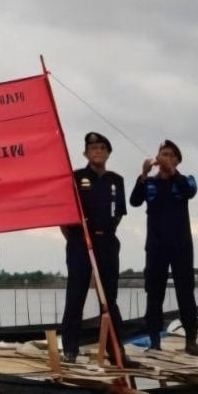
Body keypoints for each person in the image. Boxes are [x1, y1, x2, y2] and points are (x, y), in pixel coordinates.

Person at [59, 131, 131, 365]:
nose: (98, 151)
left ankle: (116, 351)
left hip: (107, 242)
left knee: (109, 299)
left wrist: (104, 233)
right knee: (76, 295)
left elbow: (118, 213)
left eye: (102, 148)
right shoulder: (75, 177)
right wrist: (77, 238)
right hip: (81, 242)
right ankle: (70, 349)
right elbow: (64, 217)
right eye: (93, 148)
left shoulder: (116, 180)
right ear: (86, 153)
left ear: (108, 153)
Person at [130, 139, 198, 356]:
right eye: (163, 154)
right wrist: (143, 175)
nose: (166, 158)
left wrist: (174, 173)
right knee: (154, 294)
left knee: (185, 293)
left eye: (171, 155)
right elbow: (134, 201)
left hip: (181, 246)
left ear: (177, 160)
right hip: (155, 247)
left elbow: (189, 192)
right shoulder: (150, 183)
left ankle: (191, 341)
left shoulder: (185, 181)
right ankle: (154, 341)